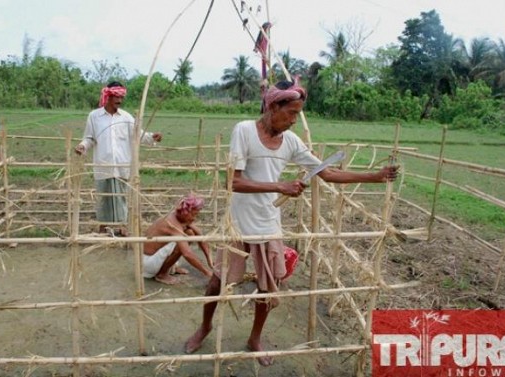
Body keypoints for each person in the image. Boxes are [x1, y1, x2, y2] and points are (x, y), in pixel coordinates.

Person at [184, 80, 399, 366]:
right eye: (291, 113)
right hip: (237, 223)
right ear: (273, 107)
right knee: (217, 282)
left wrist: (374, 177)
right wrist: (280, 186)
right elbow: (233, 182)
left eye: (298, 114)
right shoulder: (244, 130)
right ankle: (205, 326)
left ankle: (255, 338)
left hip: (268, 224)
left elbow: (328, 174)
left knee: (268, 289)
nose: (294, 120)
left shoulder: (292, 142)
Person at [75, 81, 162, 236]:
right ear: (108, 96)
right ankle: (103, 227)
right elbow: (89, 137)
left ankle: (122, 227)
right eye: (116, 97)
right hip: (103, 164)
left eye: (121, 97)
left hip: (122, 164)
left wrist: (152, 137)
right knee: (104, 197)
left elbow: (138, 135)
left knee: (121, 197)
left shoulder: (127, 117)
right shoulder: (94, 116)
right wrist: (83, 146)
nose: (119, 100)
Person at [142, 193, 213, 285]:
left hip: (153, 258)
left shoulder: (181, 217)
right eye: (194, 215)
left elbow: (200, 235)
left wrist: (209, 259)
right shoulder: (172, 224)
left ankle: (170, 268)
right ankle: (161, 274)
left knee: (190, 233)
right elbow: (187, 253)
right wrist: (207, 272)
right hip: (148, 264)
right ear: (186, 212)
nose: (194, 218)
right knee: (183, 242)